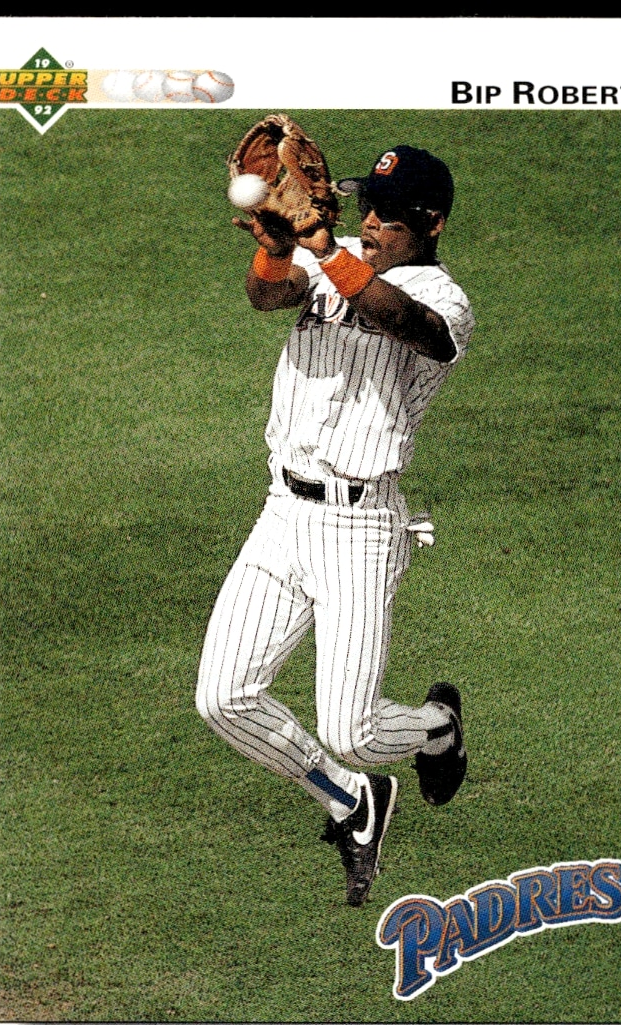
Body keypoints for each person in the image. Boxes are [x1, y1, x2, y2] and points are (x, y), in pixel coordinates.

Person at [195, 143, 476, 907]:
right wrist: (275, 250)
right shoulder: (339, 255)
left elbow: (405, 321)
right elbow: (269, 297)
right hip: (282, 512)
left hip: (361, 528)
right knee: (223, 697)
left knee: (354, 728)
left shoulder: (445, 299)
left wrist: (324, 251)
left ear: (432, 223)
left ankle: (437, 726)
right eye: (368, 207)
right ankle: (352, 798)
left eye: (390, 216)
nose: (371, 223)